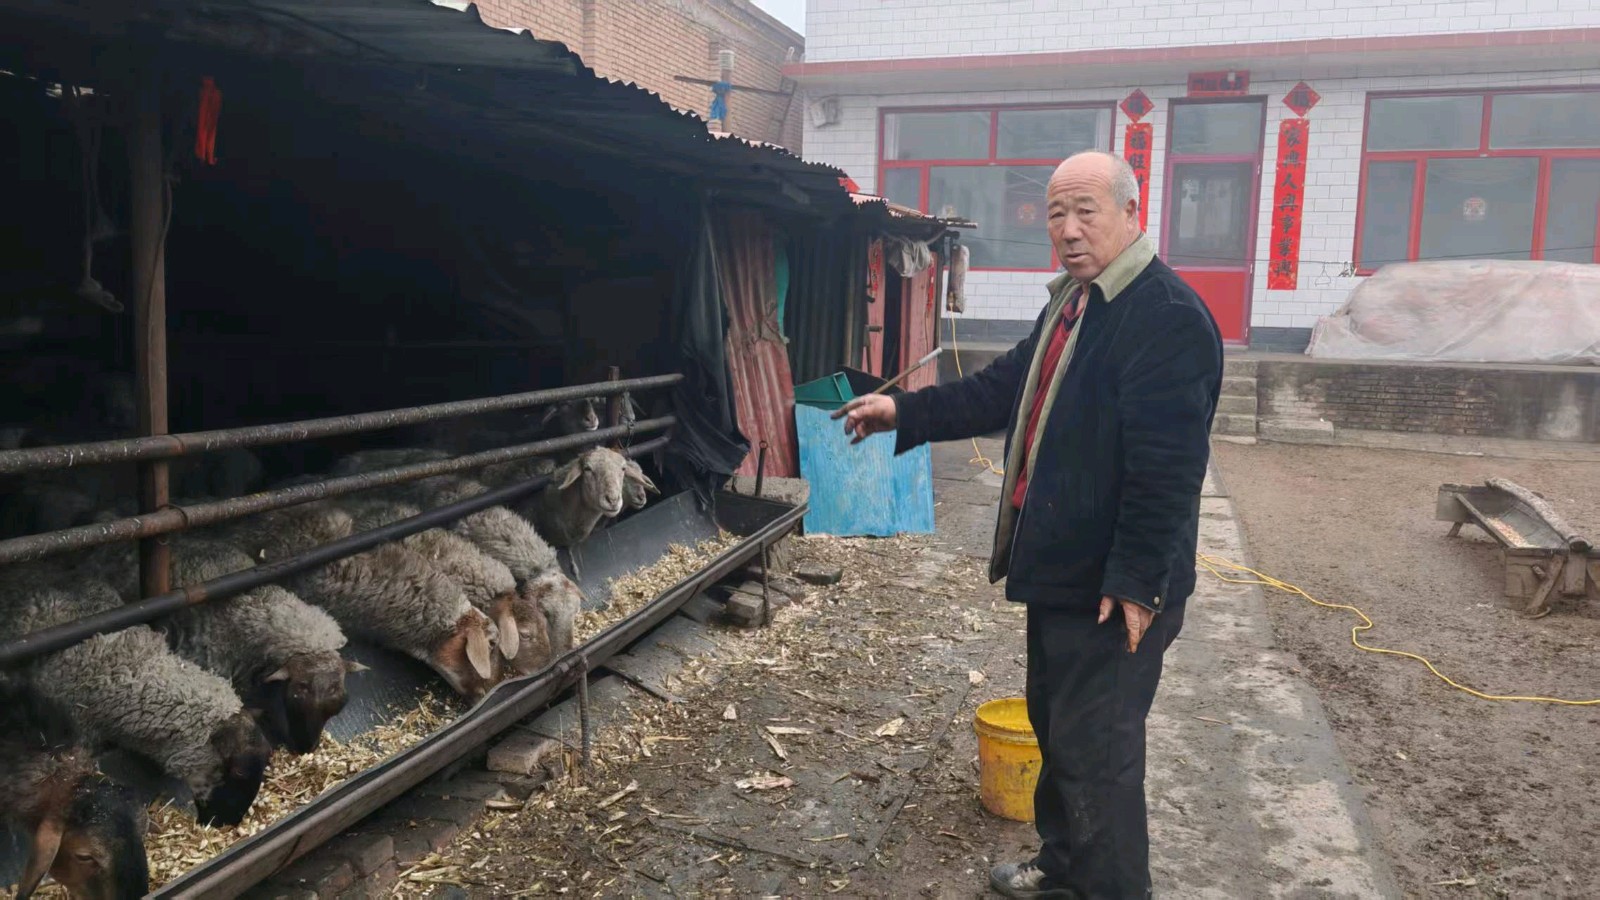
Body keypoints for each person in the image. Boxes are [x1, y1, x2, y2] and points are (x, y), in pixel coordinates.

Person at [834, 150, 1223, 899]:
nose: (1069, 230)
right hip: (1064, 572)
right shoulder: (1076, 303)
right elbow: (999, 389)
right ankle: (1064, 865)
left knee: (1100, 755)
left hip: (1113, 588)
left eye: (1086, 212)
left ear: (1131, 213)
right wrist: (903, 410)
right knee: (1059, 729)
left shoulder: (1164, 317)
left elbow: (1168, 469)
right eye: (1056, 214)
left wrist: (1137, 581)